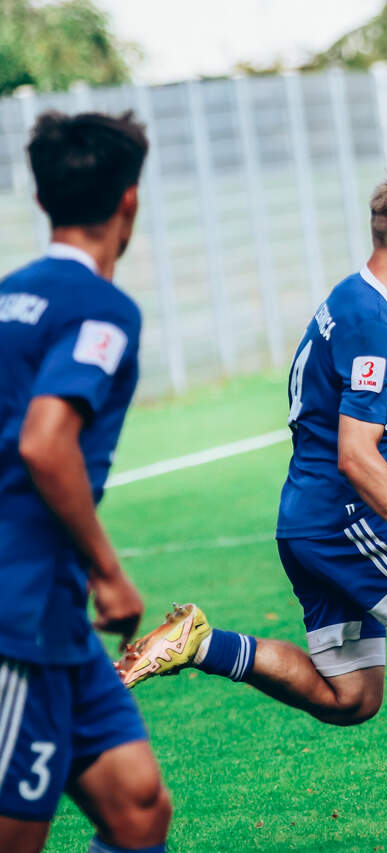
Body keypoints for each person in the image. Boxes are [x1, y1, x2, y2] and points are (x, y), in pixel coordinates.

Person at [117, 169, 387, 851]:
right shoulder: (372, 323)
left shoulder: (346, 298)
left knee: (351, 696)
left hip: (306, 520)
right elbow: (356, 455)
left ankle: (200, 643)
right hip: (343, 522)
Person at [0, 111, 171, 853]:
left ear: (42, 199)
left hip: (54, 615)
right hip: (20, 610)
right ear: (129, 199)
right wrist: (110, 572)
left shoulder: (10, 295)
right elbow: (46, 442)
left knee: (138, 807)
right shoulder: (104, 309)